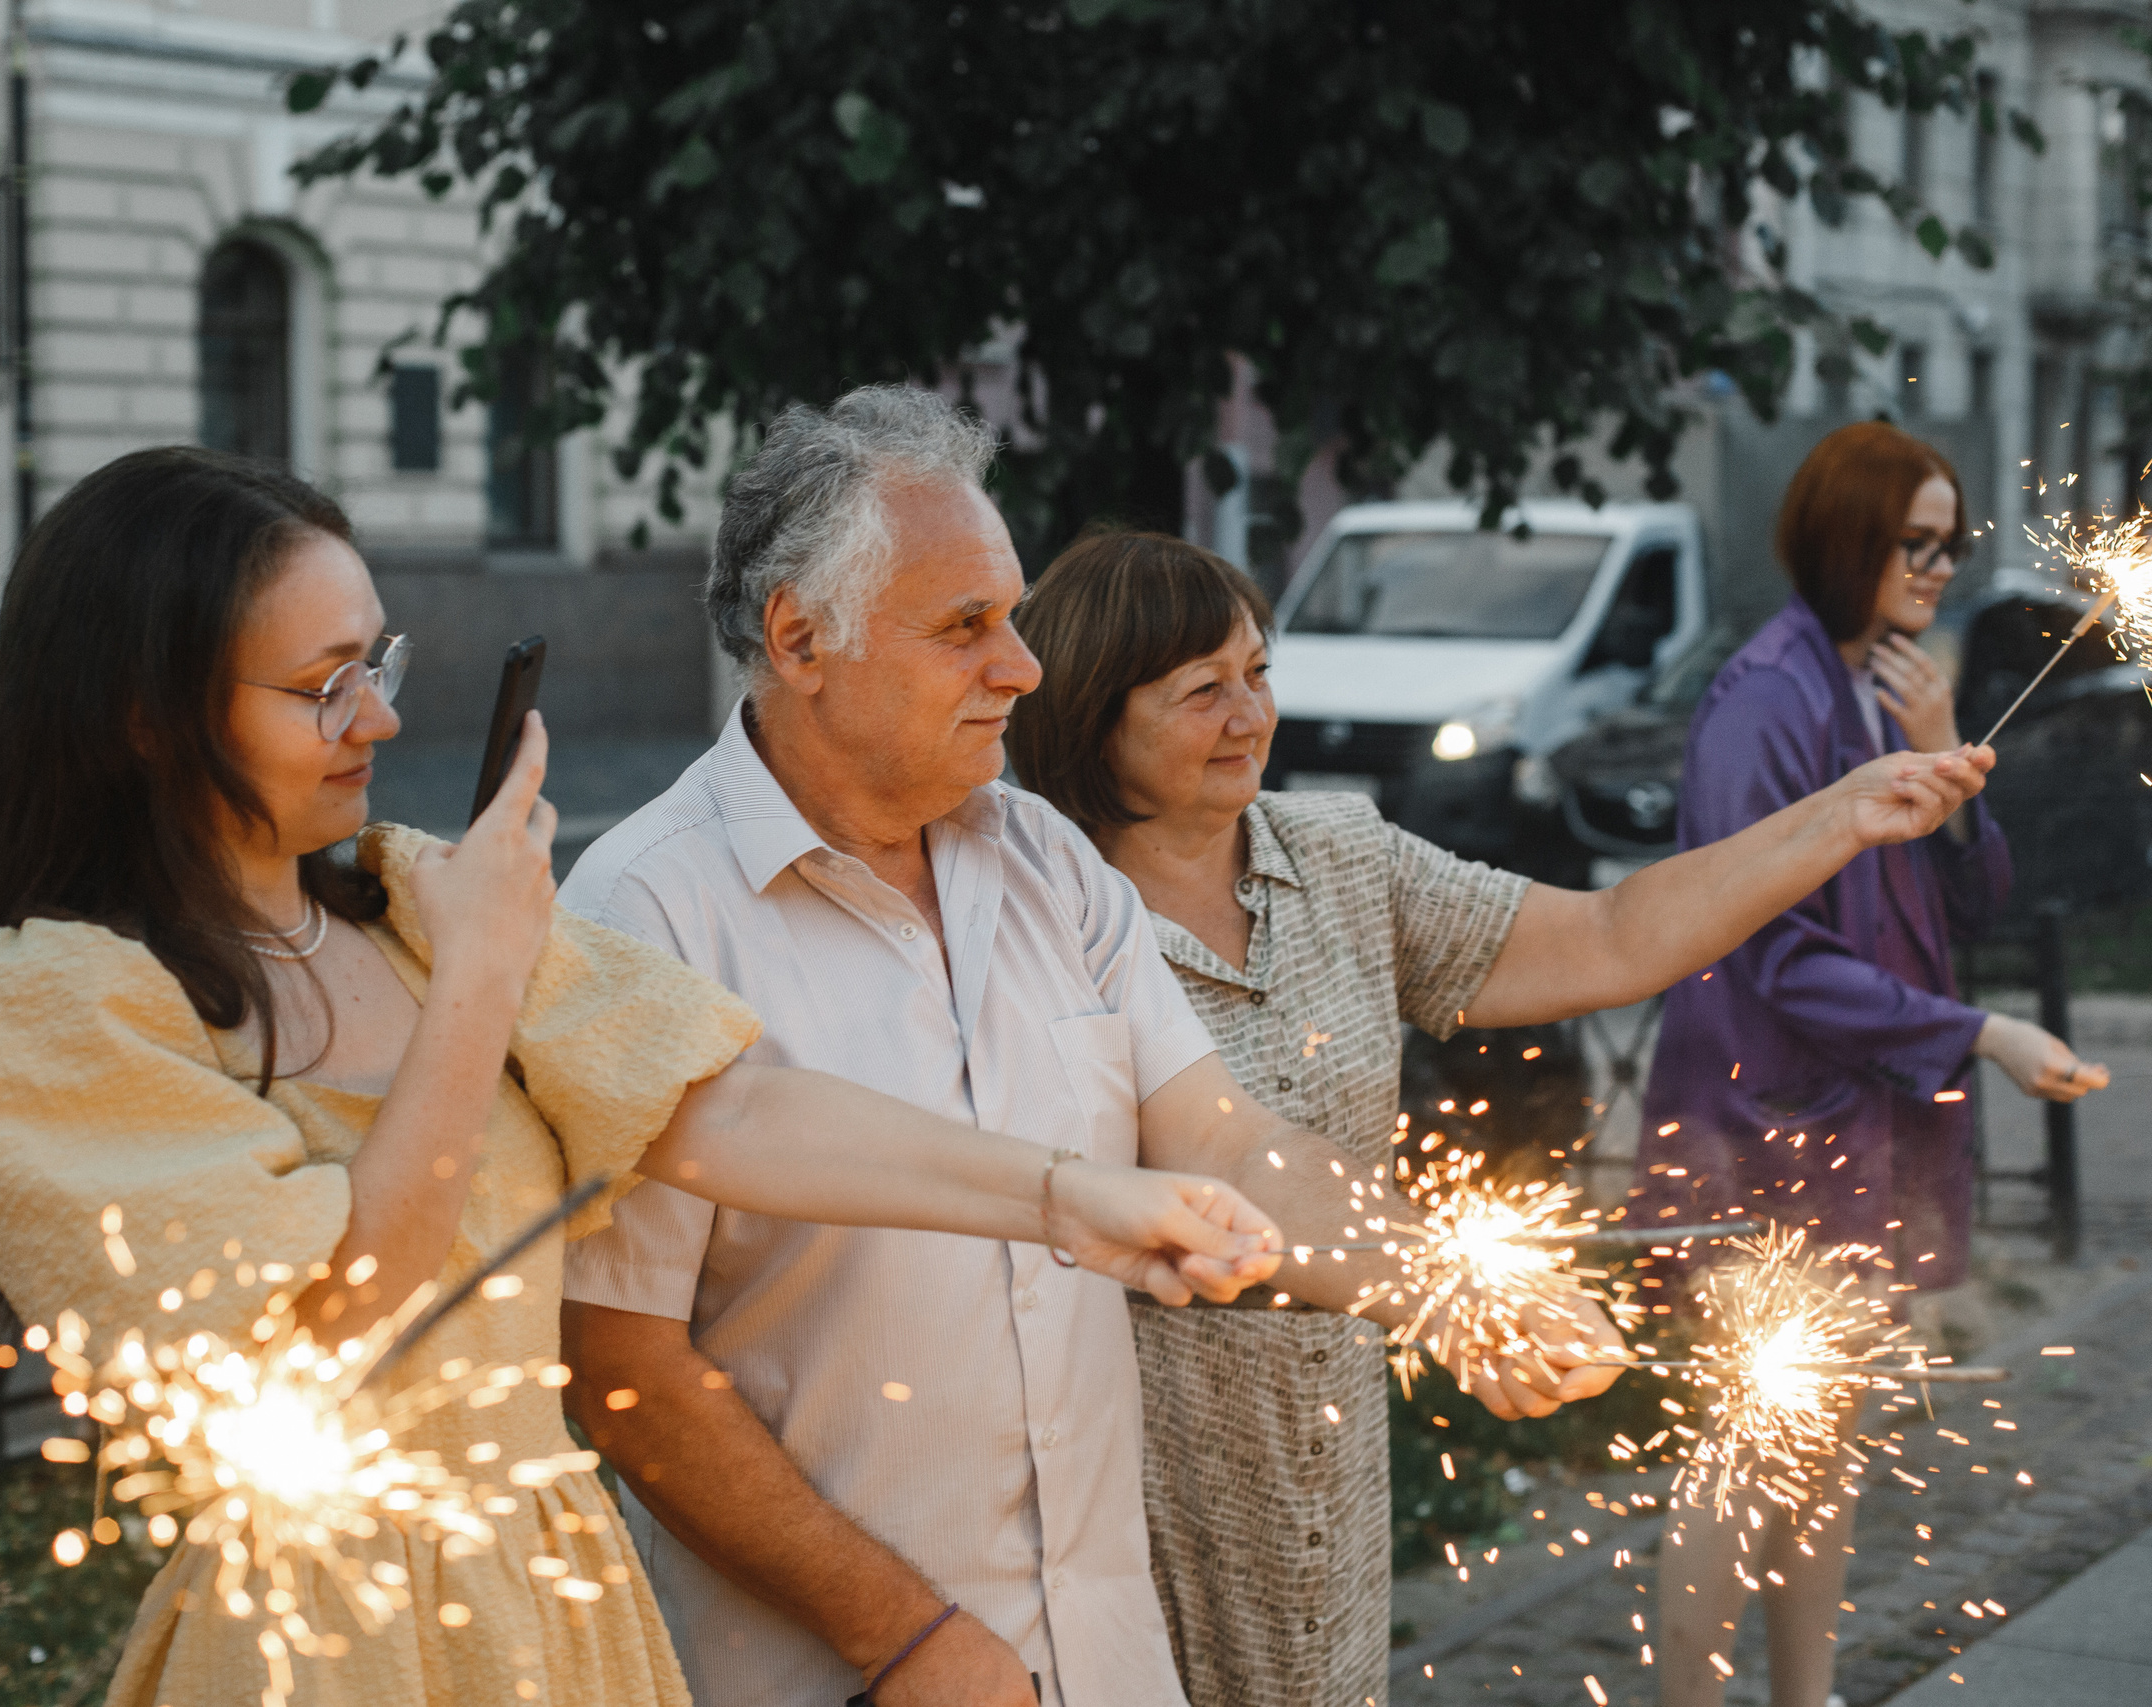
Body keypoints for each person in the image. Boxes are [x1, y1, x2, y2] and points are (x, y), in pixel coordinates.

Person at [0, 447, 1286, 1707]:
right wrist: (478, 990)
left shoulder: (402, 900)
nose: (378, 718)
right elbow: (332, 1325)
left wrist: (1066, 1193)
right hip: (323, 1642)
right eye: (322, 683)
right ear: (146, 714)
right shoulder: (41, 1008)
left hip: (560, 1618)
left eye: (376, 660)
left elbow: (720, 1102)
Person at [556, 388, 1636, 1707]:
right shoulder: (642, 908)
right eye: (966, 627)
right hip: (834, 1669)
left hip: (1109, 1653)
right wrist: (901, 1635)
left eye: (1012, 616)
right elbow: (619, 1363)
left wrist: (1442, 1286)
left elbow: (1226, 1139)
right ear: (800, 637)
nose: (1022, 665)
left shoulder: (1044, 860)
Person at [1003, 530, 2002, 1707]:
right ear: (1089, 715)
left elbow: (1612, 934)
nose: (1249, 715)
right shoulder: (1032, 908)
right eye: (1199, 691)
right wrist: (1445, 1289)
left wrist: (1839, 816)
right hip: (1132, 1450)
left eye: (1258, 673)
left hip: (1324, 1431)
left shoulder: (1336, 856)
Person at [1630, 420, 2109, 1707]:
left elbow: (1973, 900)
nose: (1937, 570)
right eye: (1914, 544)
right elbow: (1764, 951)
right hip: (1757, 1132)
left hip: (1850, 1135)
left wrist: (1951, 753)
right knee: (1746, 1443)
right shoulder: (1764, 700)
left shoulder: (1880, 682)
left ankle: (1807, 1694)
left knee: (1825, 1436)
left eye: (1949, 547)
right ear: (1847, 538)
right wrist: (1983, 1035)